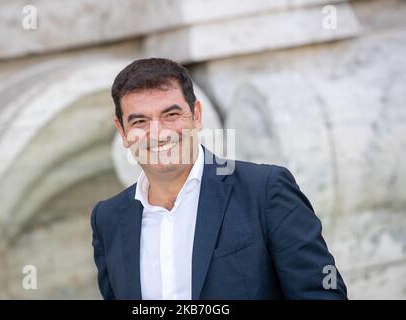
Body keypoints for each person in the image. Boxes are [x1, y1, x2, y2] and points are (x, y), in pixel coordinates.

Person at [91, 57, 347, 300]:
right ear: (122, 132)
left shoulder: (264, 190)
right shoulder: (107, 219)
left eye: (171, 115)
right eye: (140, 121)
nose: (158, 133)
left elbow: (322, 292)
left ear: (196, 115)